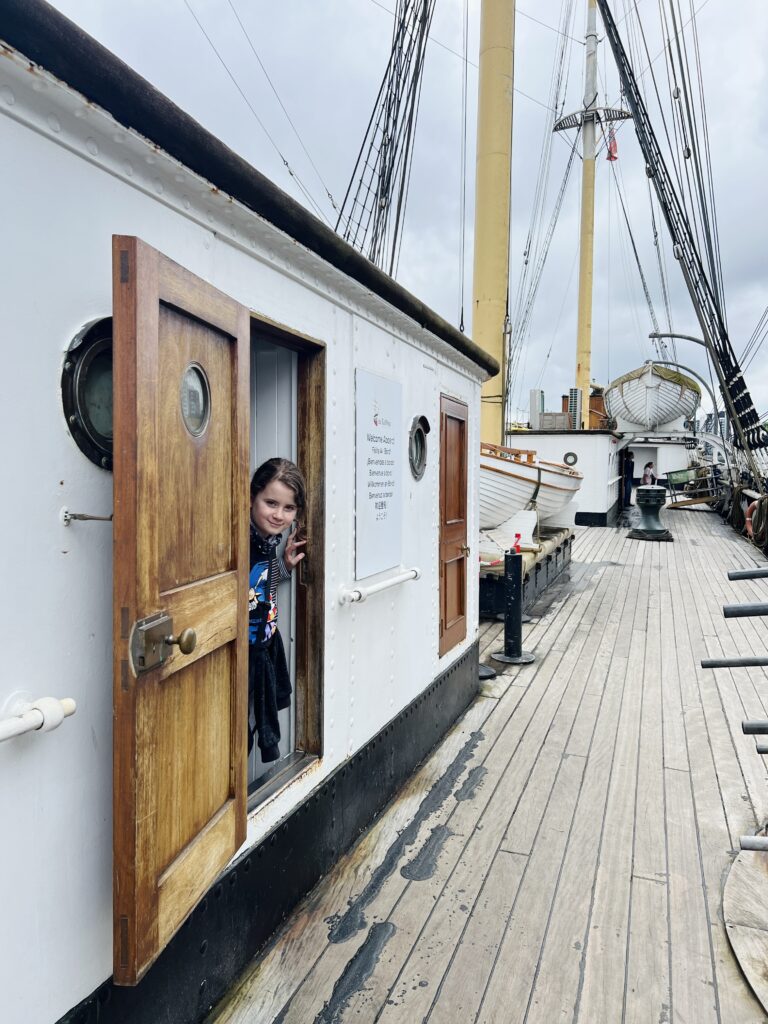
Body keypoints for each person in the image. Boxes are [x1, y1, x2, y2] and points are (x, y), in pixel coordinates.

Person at [248, 457, 306, 762]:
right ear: (252, 496)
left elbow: (258, 587)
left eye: (288, 508)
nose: (278, 515)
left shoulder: (270, 541)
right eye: (270, 503)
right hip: (241, 654)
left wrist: (282, 567)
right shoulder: (240, 541)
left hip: (264, 649)